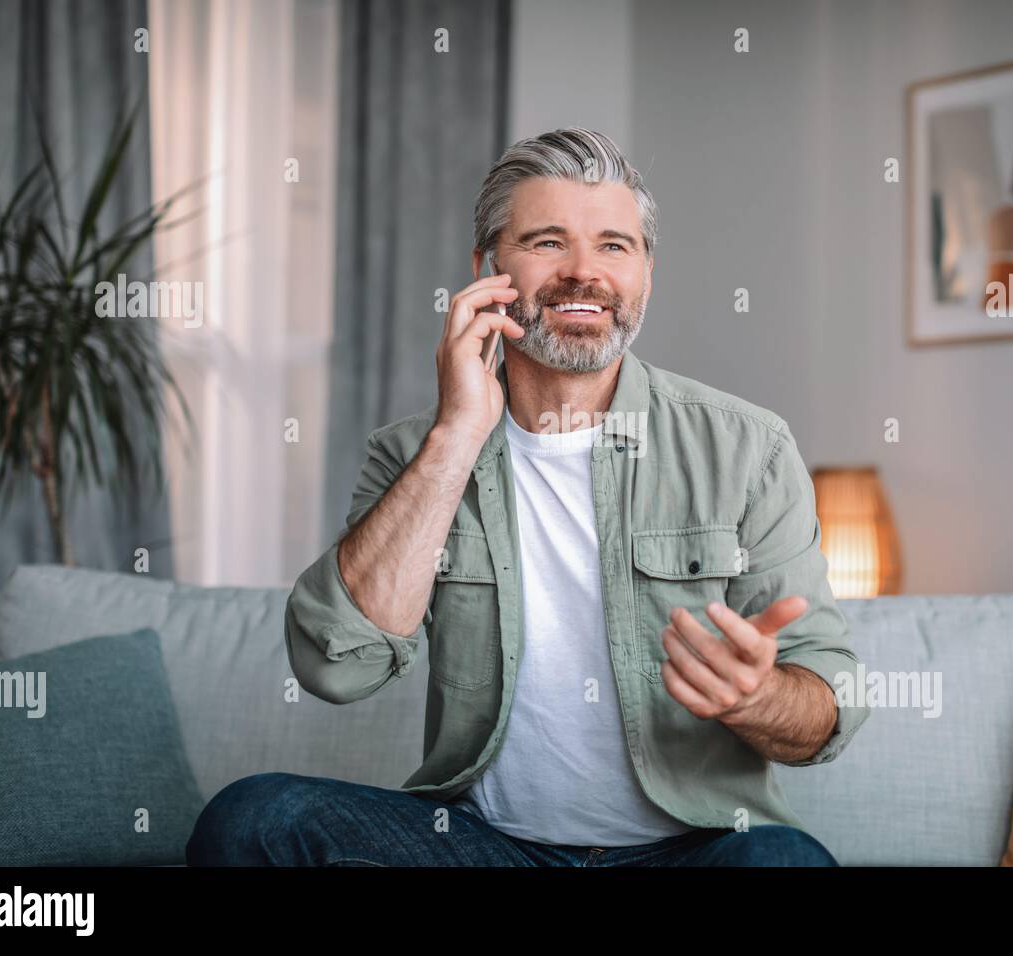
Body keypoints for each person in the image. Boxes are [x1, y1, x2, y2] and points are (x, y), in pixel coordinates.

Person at [186, 128, 869, 867]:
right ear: (487, 271)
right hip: (482, 848)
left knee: (784, 864)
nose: (585, 272)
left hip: (692, 851)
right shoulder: (411, 453)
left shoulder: (748, 449)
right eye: (548, 242)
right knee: (255, 819)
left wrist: (752, 696)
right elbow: (335, 667)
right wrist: (455, 436)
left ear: (646, 274)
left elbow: (827, 707)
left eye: (615, 246)